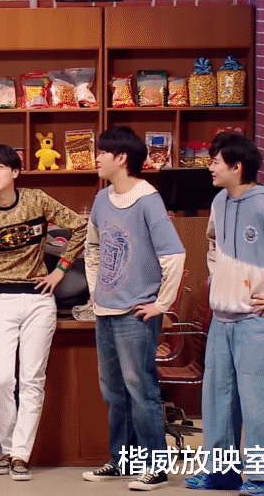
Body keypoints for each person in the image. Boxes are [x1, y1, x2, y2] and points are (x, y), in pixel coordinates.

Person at [0, 144, 87, 481]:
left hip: (37, 300)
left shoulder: (36, 200)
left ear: (15, 172)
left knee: (32, 379)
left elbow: (79, 227)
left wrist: (60, 271)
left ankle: (19, 454)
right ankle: (7, 447)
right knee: (2, 379)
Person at [183, 132, 264, 496]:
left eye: (215, 161)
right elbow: (213, 245)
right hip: (222, 320)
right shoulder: (219, 201)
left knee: (257, 403)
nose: (210, 167)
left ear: (237, 166)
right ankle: (222, 473)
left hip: (257, 322)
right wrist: (218, 282)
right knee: (218, 402)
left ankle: (260, 478)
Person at [81, 125, 185, 491]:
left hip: (135, 315)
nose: (96, 157)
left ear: (121, 158)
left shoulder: (148, 200)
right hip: (105, 310)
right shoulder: (101, 198)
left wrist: (161, 304)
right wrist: (96, 291)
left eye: (102, 152)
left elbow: (174, 255)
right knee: (113, 391)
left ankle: (156, 467)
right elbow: (92, 247)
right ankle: (123, 461)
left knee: (142, 390)